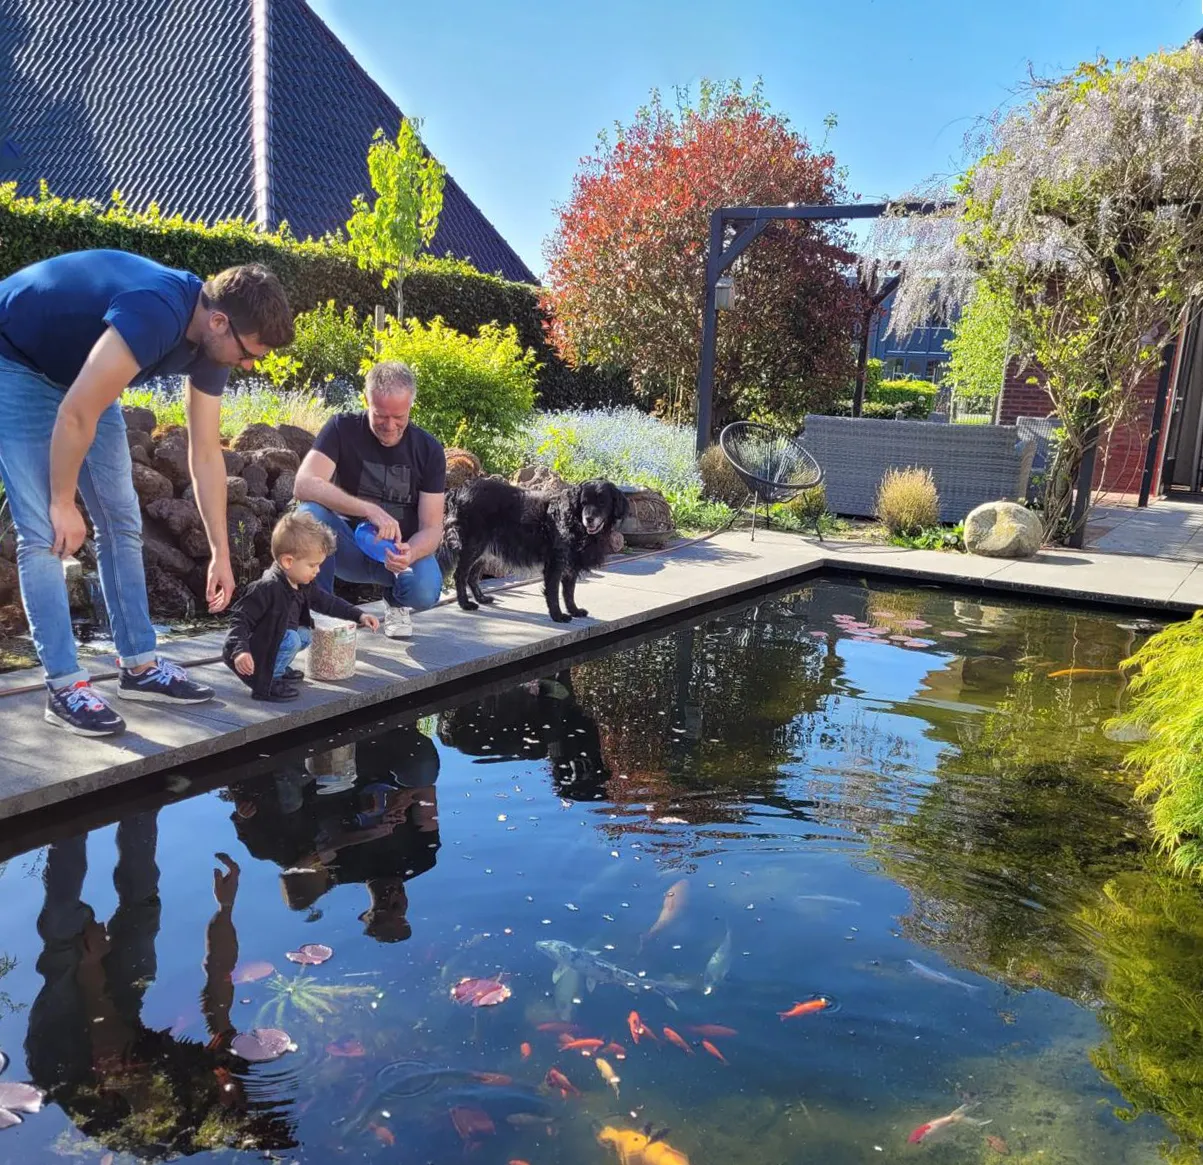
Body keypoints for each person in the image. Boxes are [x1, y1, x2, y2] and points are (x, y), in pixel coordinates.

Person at [0, 248, 295, 736]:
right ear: (219, 322)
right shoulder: (157, 311)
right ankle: (65, 686)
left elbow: (206, 454)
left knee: (122, 520)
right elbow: (75, 413)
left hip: (82, 378)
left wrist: (221, 552)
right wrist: (62, 500)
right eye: (248, 354)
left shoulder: (213, 342)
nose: (246, 366)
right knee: (43, 533)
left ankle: (138, 666)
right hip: (16, 359)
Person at [293, 360, 445, 641]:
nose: (390, 426)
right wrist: (367, 509)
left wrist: (410, 553)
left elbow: (432, 528)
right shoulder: (341, 428)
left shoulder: (429, 449)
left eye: (399, 417)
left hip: (397, 555)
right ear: (367, 400)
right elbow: (304, 484)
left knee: (425, 590)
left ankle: (396, 601)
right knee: (307, 515)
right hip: (347, 548)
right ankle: (318, 611)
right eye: (381, 416)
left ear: (411, 405)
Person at [222, 510, 379, 702]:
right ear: (288, 561)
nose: (317, 570)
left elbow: (328, 602)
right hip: (255, 652)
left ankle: (278, 666)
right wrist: (240, 651)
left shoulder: (302, 584)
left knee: (304, 635)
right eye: (312, 565)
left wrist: (359, 615)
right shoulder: (266, 588)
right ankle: (268, 682)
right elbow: (239, 620)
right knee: (292, 639)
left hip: (276, 638)